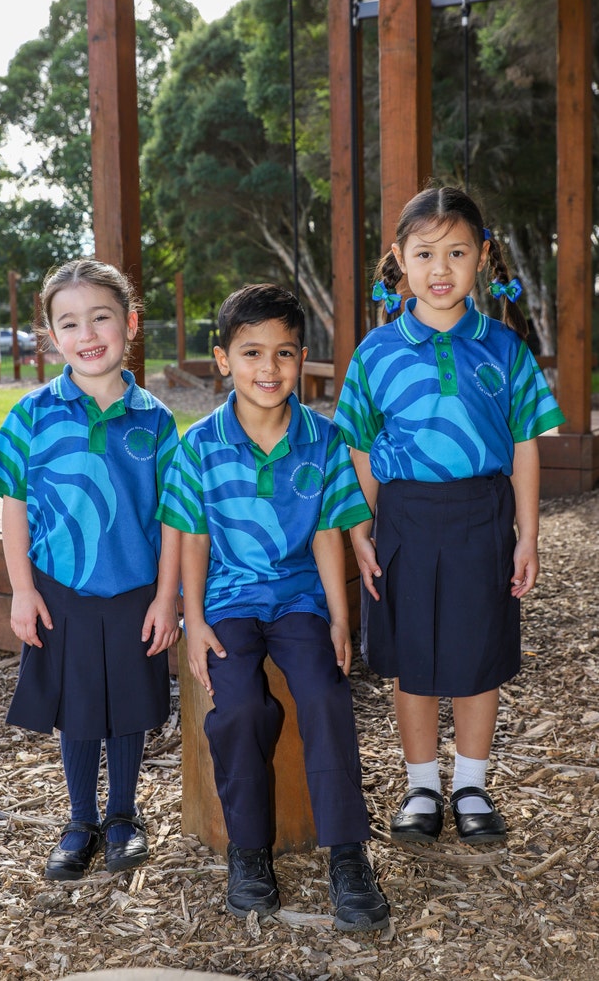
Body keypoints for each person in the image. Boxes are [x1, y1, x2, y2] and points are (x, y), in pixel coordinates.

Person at [335, 186, 565, 847]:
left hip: (483, 515)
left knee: (476, 653)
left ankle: (470, 784)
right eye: (425, 253)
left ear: (483, 257)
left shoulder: (505, 348)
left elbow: (524, 446)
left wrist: (528, 536)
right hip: (404, 519)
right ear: (400, 257)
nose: (441, 269)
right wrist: (360, 532)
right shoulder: (376, 352)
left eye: (457, 253)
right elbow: (360, 449)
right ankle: (421, 787)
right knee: (412, 658)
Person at [158, 283, 389, 931]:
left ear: (302, 358)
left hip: (298, 599)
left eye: (284, 352)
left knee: (324, 693)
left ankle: (348, 853)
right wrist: (194, 622)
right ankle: (249, 850)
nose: (269, 367)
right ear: (223, 359)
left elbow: (327, 535)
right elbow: (194, 538)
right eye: (251, 352)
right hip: (228, 599)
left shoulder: (324, 439)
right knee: (238, 708)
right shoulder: (199, 445)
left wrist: (339, 619)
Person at [0, 258, 181, 881]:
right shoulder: (32, 413)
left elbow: (175, 518)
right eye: (69, 323)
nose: (87, 334)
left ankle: (122, 817)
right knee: (80, 706)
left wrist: (165, 598)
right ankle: (81, 820)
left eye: (101, 318)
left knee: (129, 705)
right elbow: (14, 508)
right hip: (60, 589)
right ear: (51, 336)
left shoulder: (156, 419)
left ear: (130, 324)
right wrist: (22, 591)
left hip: (135, 589)